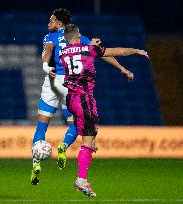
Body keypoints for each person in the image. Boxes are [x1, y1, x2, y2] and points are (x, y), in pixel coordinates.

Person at [30, 8, 135, 185]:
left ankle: (36, 163)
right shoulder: (79, 37)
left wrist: (45, 67)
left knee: (41, 125)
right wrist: (122, 69)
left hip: (53, 81)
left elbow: (47, 52)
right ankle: (63, 146)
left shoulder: (51, 37)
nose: (49, 23)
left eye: (52, 20)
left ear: (60, 24)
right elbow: (103, 54)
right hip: (71, 85)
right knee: (75, 126)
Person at [59, 24, 148, 197]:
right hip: (84, 99)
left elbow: (82, 53)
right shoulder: (88, 49)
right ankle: (81, 180)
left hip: (71, 98)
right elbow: (117, 52)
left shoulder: (63, 53)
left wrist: (92, 47)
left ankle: (84, 154)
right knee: (87, 142)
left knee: (89, 139)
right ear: (78, 36)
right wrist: (136, 50)